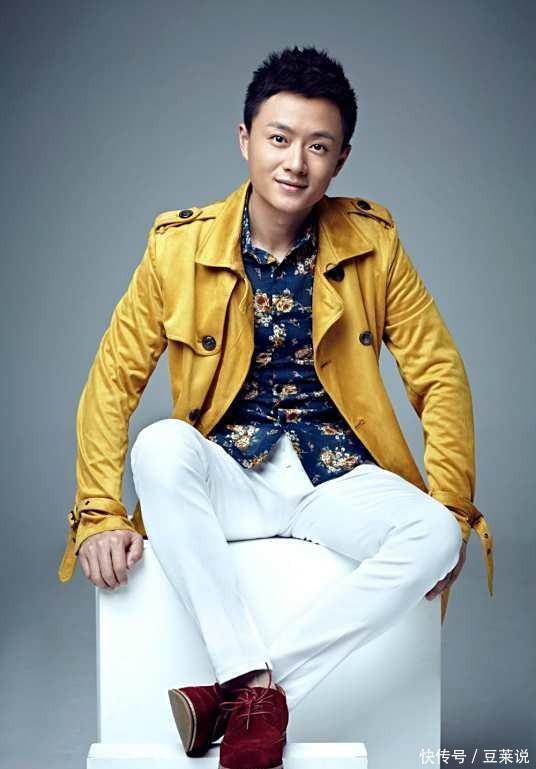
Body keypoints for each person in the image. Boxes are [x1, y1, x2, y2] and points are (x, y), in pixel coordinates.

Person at [57, 45, 494, 769]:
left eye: (318, 146)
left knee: (438, 534)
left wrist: (450, 500)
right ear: (245, 140)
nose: (295, 162)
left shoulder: (375, 244)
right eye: (279, 138)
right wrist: (99, 510)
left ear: (341, 159)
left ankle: (244, 693)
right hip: (232, 476)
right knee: (160, 445)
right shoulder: (177, 248)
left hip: (339, 480)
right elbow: (112, 380)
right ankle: (253, 683)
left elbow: (438, 373)